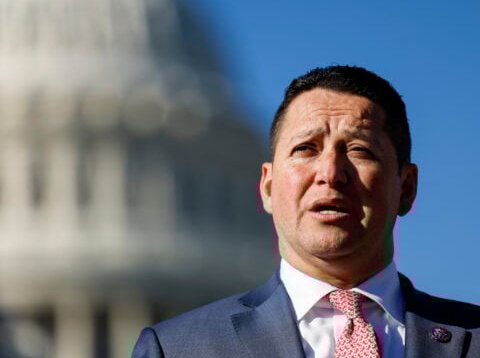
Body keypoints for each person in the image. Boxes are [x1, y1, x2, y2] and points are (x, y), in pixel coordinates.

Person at [131, 65, 480, 358]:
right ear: (267, 186)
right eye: (305, 148)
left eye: (359, 150)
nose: (330, 174)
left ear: (406, 187)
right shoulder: (178, 349)